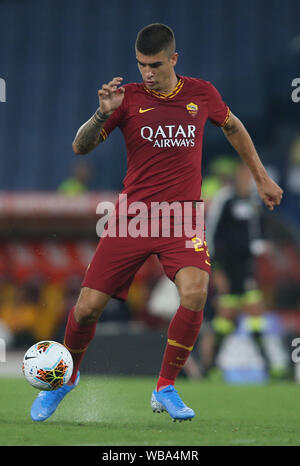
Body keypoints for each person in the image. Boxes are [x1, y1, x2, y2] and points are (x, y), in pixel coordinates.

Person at [30, 23, 283, 423]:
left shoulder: (202, 93)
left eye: (155, 64)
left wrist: (260, 176)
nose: (147, 73)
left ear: (174, 59)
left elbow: (233, 127)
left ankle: (165, 386)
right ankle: (67, 378)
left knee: (196, 292)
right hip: (133, 217)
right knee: (86, 309)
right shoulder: (127, 98)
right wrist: (101, 114)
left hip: (181, 219)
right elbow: (80, 146)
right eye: (141, 65)